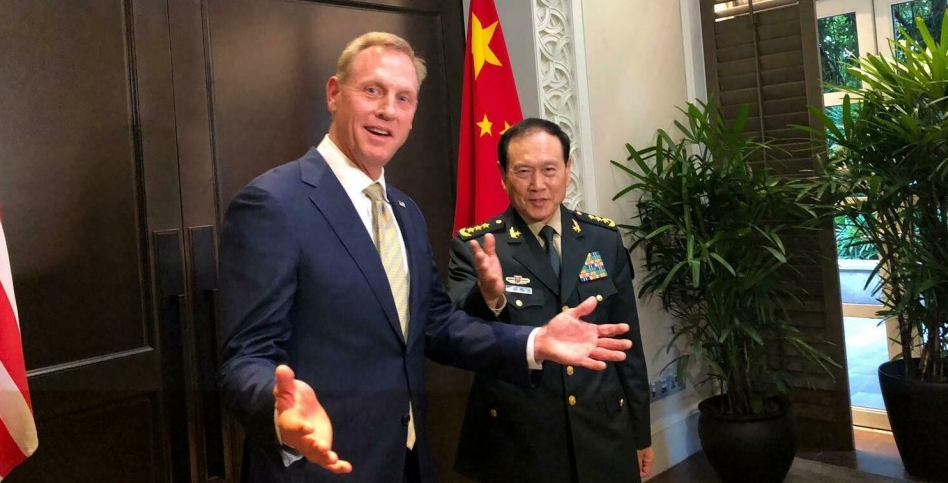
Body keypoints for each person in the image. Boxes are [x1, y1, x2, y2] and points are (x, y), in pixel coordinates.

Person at [217, 33, 633, 483]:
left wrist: (533, 342)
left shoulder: (405, 212)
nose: (387, 110)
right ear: (335, 94)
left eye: (404, 98)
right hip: (319, 466)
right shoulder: (273, 204)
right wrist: (281, 414)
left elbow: (437, 324)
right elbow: (245, 359)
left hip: (407, 460)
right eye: (372, 90)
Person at [448, 118, 654, 482]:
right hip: (520, 441)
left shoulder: (602, 238)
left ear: (568, 170)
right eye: (524, 171)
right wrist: (491, 296)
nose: (538, 185)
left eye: (549, 170)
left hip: (604, 432)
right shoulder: (477, 247)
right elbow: (461, 333)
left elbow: (628, 345)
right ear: (503, 175)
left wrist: (641, 434)